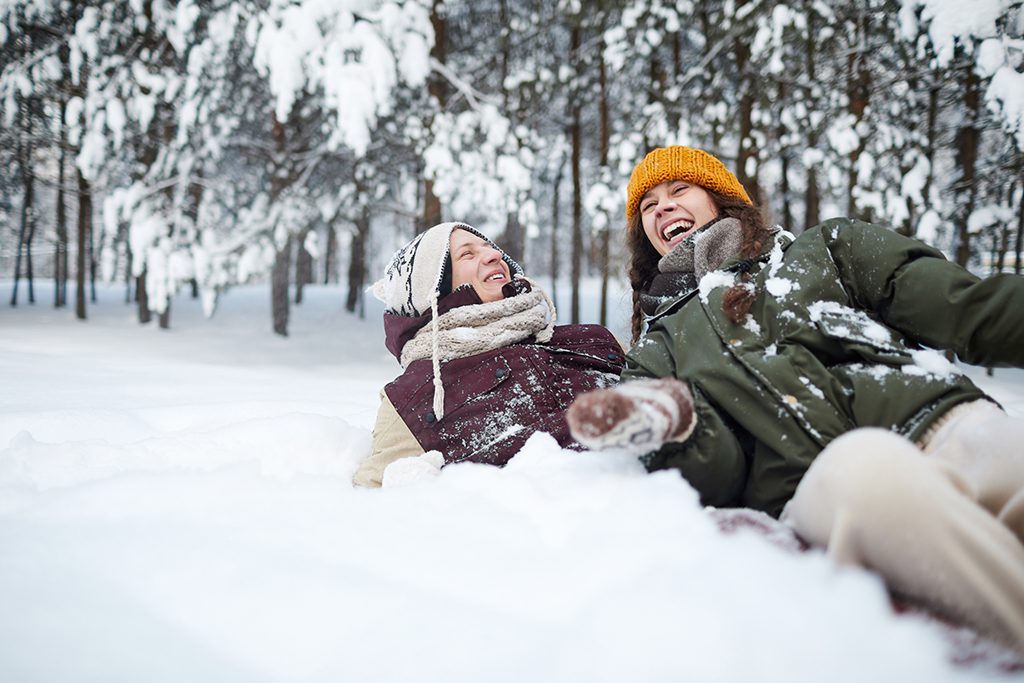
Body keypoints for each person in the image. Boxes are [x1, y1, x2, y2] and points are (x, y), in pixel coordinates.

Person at [565, 145, 1024, 651]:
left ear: (720, 199)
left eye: (679, 190)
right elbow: (722, 473)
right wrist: (677, 424)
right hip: (826, 484)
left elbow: (966, 309)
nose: (662, 208)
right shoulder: (656, 351)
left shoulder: (827, 249)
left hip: (946, 423)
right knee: (867, 476)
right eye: (647, 206)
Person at [352, 221, 624, 487]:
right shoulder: (412, 399)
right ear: (433, 289)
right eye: (467, 254)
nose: (495, 254)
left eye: (490, 248)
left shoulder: (592, 339)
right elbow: (370, 499)